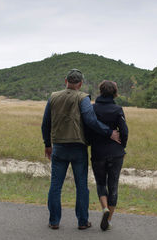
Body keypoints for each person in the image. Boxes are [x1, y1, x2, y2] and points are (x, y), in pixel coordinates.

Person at [41, 69, 120, 230]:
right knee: (81, 186)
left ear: (66, 81)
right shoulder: (83, 98)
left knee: (55, 185)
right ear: (80, 83)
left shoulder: (53, 97)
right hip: (78, 147)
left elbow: (45, 123)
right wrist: (109, 132)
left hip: (59, 147)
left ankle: (54, 221)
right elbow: (90, 120)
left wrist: (47, 144)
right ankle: (82, 221)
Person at [89, 80, 128, 231]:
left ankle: (104, 208)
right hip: (115, 153)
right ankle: (109, 219)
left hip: (98, 152)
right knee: (113, 185)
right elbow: (124, 131)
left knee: (100, 183)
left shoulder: (93, 108)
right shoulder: (118, 109)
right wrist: (121, 147)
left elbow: (89, 128)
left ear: (100, 91)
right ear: (115, 93)